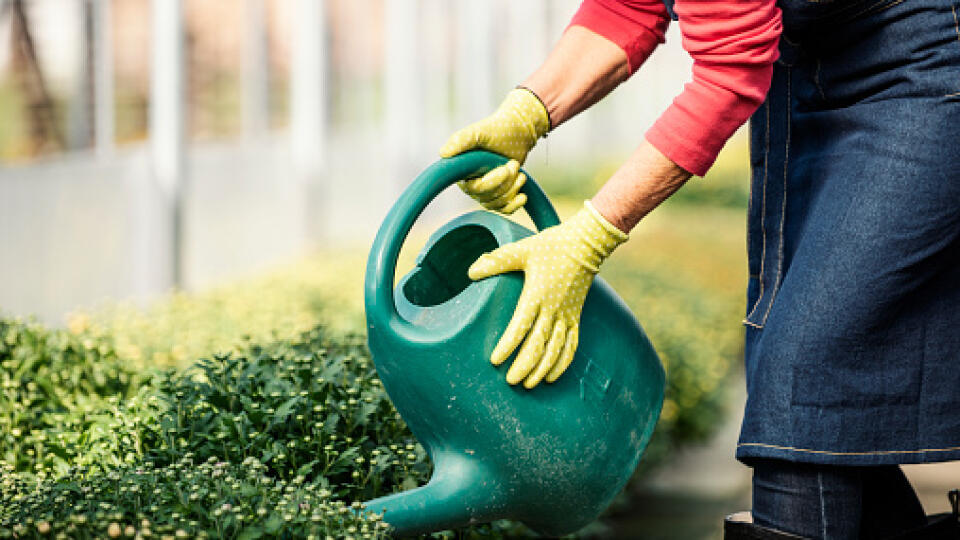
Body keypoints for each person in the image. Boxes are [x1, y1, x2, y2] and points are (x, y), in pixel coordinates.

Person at [438, 0, 960, 538]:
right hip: (801, 76)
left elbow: (730, 69)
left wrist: (587, 238)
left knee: (800, 381)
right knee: (818, 403)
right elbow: (628, 7)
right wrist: (528, 111)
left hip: (923, 67)